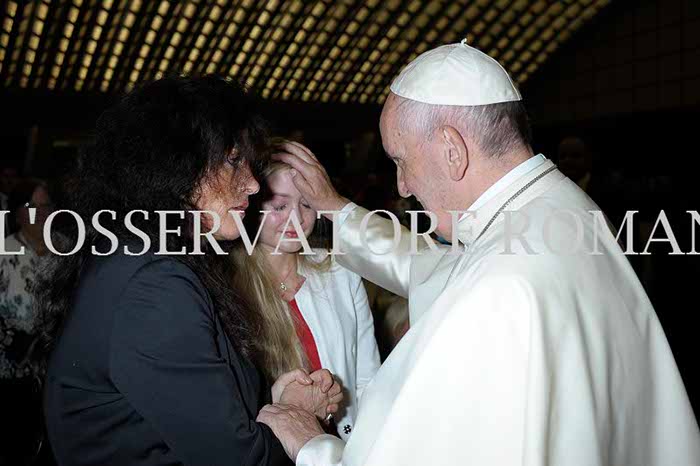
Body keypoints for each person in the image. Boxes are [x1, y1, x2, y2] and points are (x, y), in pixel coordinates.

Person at [257, 43, 700, 465]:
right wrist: (339, 209)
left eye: (400, 161)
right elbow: (434, 267)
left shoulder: (498, 287)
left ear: (452, 149)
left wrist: (314, 447)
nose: (402, 188)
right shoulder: (559, 211)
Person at [38, 76, 342, 466]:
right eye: (233, 160)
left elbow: (182, 416)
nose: (252, 184)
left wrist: (276, 404)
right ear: (176, 167)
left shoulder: (138, 256)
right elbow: (234, 458)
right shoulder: (154, 283)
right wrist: (295, 424)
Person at [232, 159, 380, 440]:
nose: (296, 219)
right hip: (272, 447)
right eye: (279, 206)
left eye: (307, 204)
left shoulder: (341, 271)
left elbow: (369, 378)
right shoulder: (227, 289)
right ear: (250, 205)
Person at [0, 179, 53, 464]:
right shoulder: (4, 251)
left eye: (46, 206)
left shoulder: (67, 250)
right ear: (18, 212)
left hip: (54, 374)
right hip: (12, 376)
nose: (41, 213)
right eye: (33, 206)